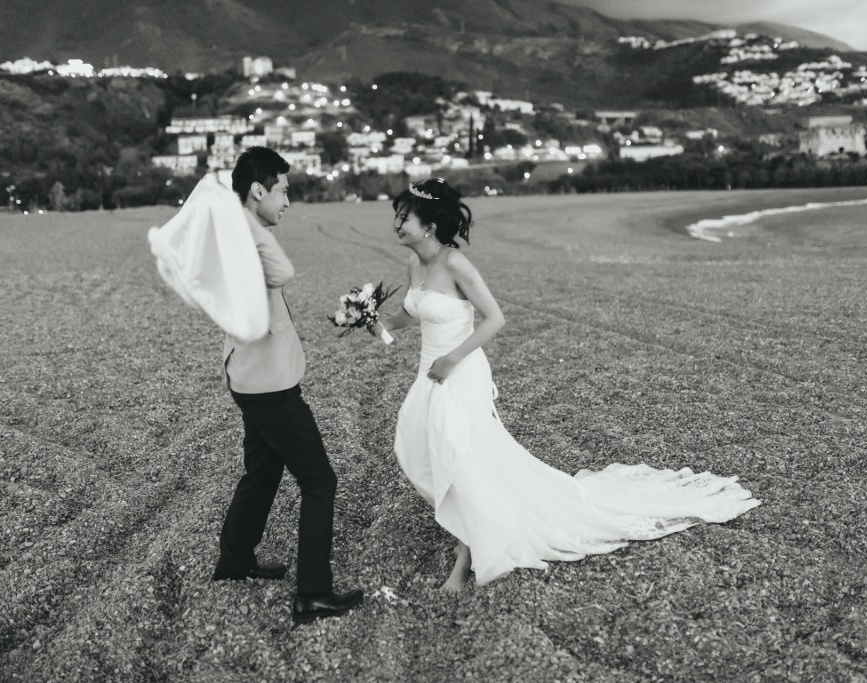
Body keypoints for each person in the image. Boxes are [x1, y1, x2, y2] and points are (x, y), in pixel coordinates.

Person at [372, 177, 761, 594]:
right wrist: (375, 321)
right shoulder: (414, 264)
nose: (397, 224)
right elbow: (416, 311)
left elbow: (495, 318)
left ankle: (467, 551)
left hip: (460, 369)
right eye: (398, 216)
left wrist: (452, 359)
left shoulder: (455, 263)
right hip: (429, 372)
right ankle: (468, 522)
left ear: (429, 226)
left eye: (405, 217)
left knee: (461, 455)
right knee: (418, 447)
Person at [213, 147, 362, 624]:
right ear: (258, 190)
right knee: (320, 482)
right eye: (283, 191)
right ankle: (313, 593)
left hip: (251, 376)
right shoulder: (244, 235)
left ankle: (235, 561)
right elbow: (276, 278)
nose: (288, 201)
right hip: (268, 384)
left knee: (262, 471)